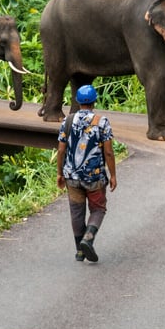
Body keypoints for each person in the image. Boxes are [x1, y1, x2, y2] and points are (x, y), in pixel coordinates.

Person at [56, 84, 117, 263]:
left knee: (76, 212)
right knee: (98, 209)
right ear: (94, 101)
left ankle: (79, 252)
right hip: (94, 177)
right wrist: (113, 175)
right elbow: (108, 152)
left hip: (72, 177)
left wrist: (60, 173)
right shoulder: (102, 121)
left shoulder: (67, 121)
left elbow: (61, 150)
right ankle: (88, 238)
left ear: (77, 101)